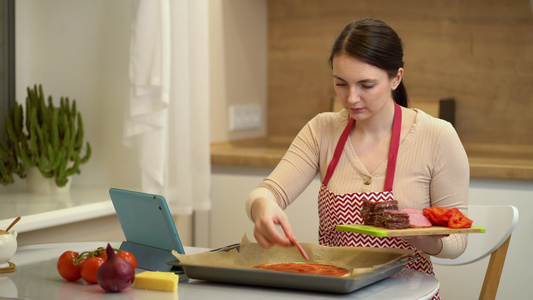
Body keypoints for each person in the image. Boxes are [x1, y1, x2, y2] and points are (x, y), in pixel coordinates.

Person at [245, 17, 469, 294]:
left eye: (366, 85)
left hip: (408, 295)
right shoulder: (322, 130)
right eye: (341, 84)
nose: (351, 98)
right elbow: (266, 192)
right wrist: (263, 208)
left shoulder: (437, 136)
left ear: (396, 78)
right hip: (337, 290)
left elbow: (458, 242)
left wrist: (424, 239)